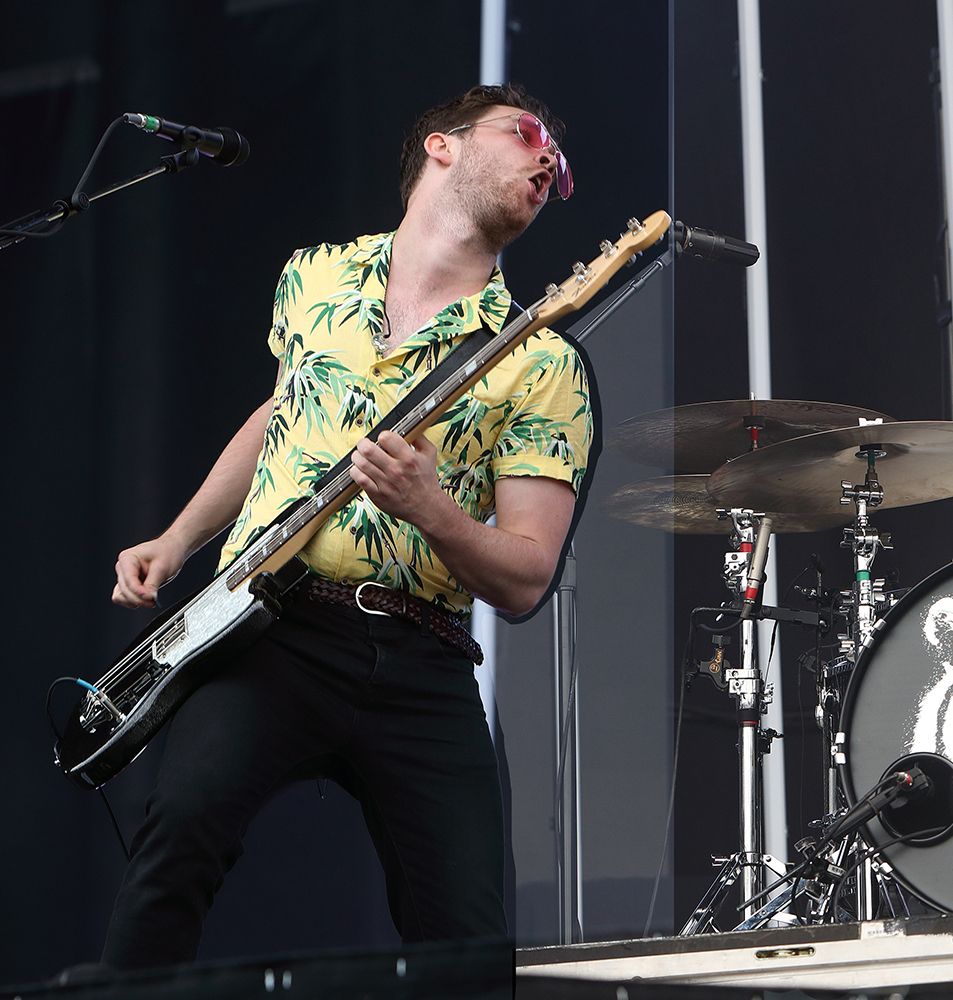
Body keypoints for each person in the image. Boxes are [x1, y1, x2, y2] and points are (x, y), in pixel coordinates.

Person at [100, 83, 590, 968]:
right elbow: (282, 415)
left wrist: (430, 509)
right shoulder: (314, 275)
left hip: (421, 657)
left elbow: (525, 577)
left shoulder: (543, 359)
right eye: (526, 134)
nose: (547, 158)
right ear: (441, 146)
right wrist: (179, 539)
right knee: (173, 848)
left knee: (467, 939)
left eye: (558, 160)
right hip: (273, 628)